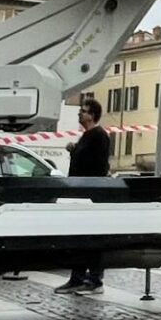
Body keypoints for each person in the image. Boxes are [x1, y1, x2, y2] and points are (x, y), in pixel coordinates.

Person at [54, 98, 111, 295]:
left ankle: (94, 280)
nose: (80, 114)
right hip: (79, 192)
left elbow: (99, 166)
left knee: (91, 238)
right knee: (79, 238)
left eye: (84, 111)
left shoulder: (99, 135)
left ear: (92, 115)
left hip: (89, 194)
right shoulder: (87, 136)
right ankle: (76, 278)